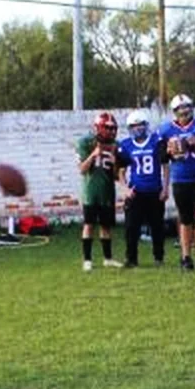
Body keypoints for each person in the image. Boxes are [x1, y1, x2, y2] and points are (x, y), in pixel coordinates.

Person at [157, 94, 195, 272]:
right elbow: (161, 157)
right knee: (184, 218)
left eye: (187, 107)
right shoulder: (166, 129)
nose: (184, 111)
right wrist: (169, 150)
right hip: (180, 178)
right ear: (174, 112)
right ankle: (185, 256)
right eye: (180, 109)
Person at [118, 109, 169, 267]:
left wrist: (165, 188)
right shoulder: (125, 145)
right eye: (134, 126)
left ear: (146, 126)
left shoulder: (157, 141)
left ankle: (158, 257)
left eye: (141, 125)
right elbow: (121, 171)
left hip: (154, 190)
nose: (138, 129)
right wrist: (125, 189)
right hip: (136, 191)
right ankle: (131, 258)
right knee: (131, 228)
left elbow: (165, 166)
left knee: (157, 227)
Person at [76, 112, 124, 271]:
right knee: (89, 225)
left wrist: (115, 162)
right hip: (91, 191)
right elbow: (82, 170)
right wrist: (93, 155)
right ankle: (87, 260)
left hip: (107, 191)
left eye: (113, 128)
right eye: (108, 128)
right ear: (99, 128)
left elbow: (117, 176)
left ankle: (107, 258)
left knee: (106, 226)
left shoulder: (115, 145)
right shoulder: (86, 142)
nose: (111, 132)